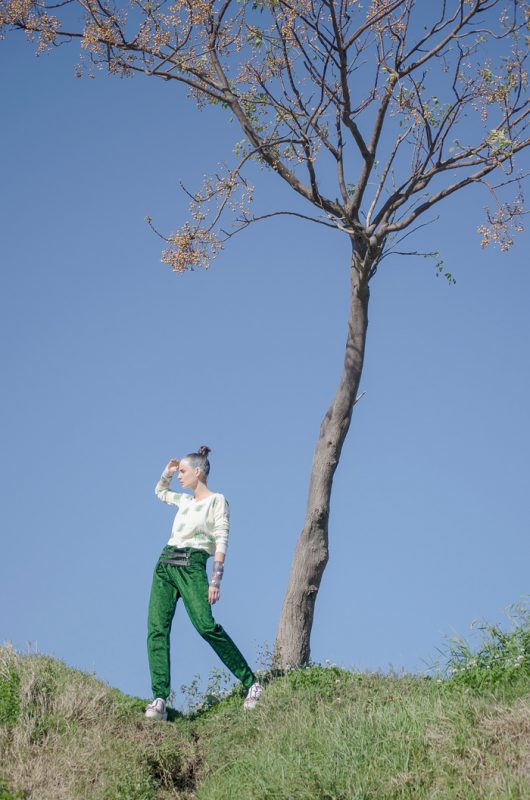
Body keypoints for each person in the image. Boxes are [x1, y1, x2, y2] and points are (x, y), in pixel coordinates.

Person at [145, 445, 262, 719]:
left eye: (183, 472)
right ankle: (159, 699)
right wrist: (167, 471)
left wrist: (215, 579)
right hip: (165, 565)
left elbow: (222, 538)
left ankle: (252, 683)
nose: (179, 477)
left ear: (198, 472)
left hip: (191, 564)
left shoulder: (217, 501)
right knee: (156, 629)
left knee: (206, 626)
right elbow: (160, 492)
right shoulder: (184, 501)